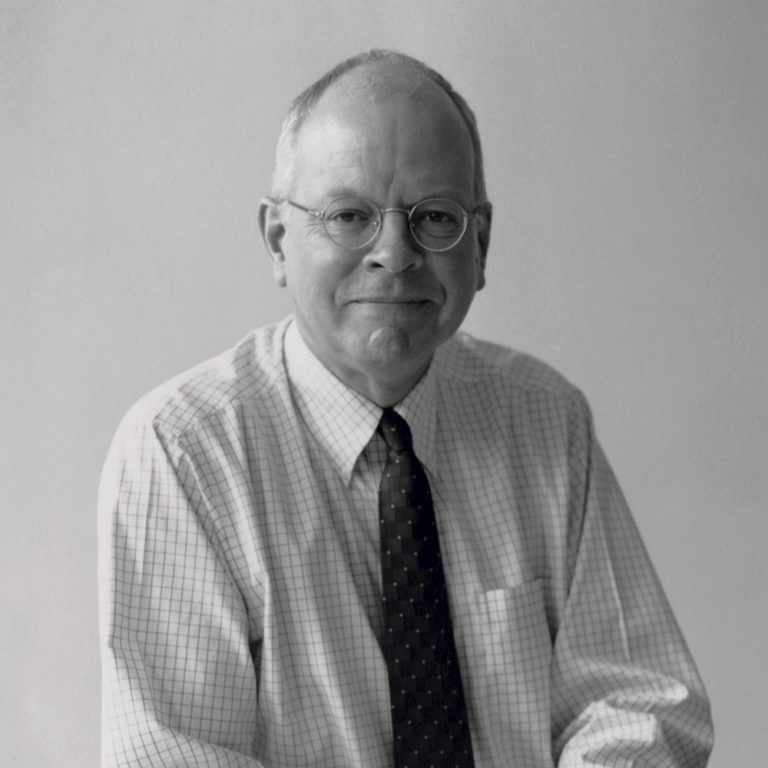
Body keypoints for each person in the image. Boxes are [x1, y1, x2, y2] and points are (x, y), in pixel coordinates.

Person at [98, 49, 714, 767]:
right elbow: (173, 755)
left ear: (480, 244)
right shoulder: (182, 450)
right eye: (349, 215)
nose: (394, 252)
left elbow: (639, 704)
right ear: (276, 241)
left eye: (435, 219)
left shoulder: (546, 419)